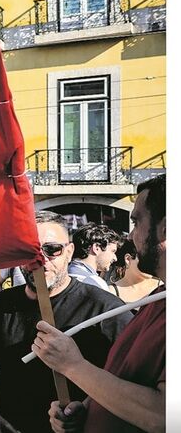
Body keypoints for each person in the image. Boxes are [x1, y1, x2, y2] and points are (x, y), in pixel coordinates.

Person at [0, 211, 133, 433]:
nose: (40, 260)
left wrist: (88, 408)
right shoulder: (4, 303)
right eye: (30, 252)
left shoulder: (105, 308)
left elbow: (132, 379)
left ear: (69, 252)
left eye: (52, 249)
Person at [34, 174, 166, 432]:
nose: (131, 235)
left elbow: (165, 416)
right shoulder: (159, 298)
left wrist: (73, 365)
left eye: (136, 222)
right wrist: (85, 409)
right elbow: (124, 374)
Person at [107, 235, 161, 306]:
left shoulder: (163, 287)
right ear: (128, 259)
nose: (152, 264)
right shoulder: (111, 293)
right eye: (145, 258)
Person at [67, 223, 120, 290]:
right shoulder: (95, 283)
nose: (115, 258)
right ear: (96, 248)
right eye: (113, 251)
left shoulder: (63, 275)